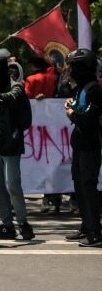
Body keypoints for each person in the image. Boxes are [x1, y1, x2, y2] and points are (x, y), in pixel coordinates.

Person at [0, 49, 34, 241]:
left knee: (13, 184)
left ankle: (23, 223)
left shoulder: (16, 87)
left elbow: (12, 97)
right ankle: (7, 225)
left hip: (11, 142)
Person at [64, 49, 101, 247]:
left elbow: (87, 119)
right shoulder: (82, 88)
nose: (69, 70)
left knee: (88, 187)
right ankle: (86, 226)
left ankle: (95, 232)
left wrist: (70, 112)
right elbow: (80, 107)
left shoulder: (95, 89)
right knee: (79, 187)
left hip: (90, 147)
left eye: (72, 66)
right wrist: (72, 104)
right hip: (80, 146)